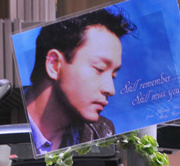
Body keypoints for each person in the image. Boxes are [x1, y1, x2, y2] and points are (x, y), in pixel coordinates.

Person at [25, 8, 136, 155]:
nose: (111, 89)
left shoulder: (103, 132)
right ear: (54, 64)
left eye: (113, 76)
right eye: (99, 69)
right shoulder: (4, 129)